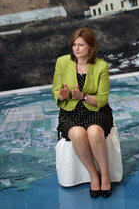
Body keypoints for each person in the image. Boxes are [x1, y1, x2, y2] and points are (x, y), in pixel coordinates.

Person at [52, 27, 114, 197]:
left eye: (81, 45)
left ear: (90, 47)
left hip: (96, 110)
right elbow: (56, 90)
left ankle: (106, 175)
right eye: (74, 45)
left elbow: (102, 99)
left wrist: (83, 96)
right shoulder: (62, 62)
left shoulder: (101, 66)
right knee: (78, 134)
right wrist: (62, 95)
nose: (76, 48)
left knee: (94, 132)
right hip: (70, 112)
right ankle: (94, 175)